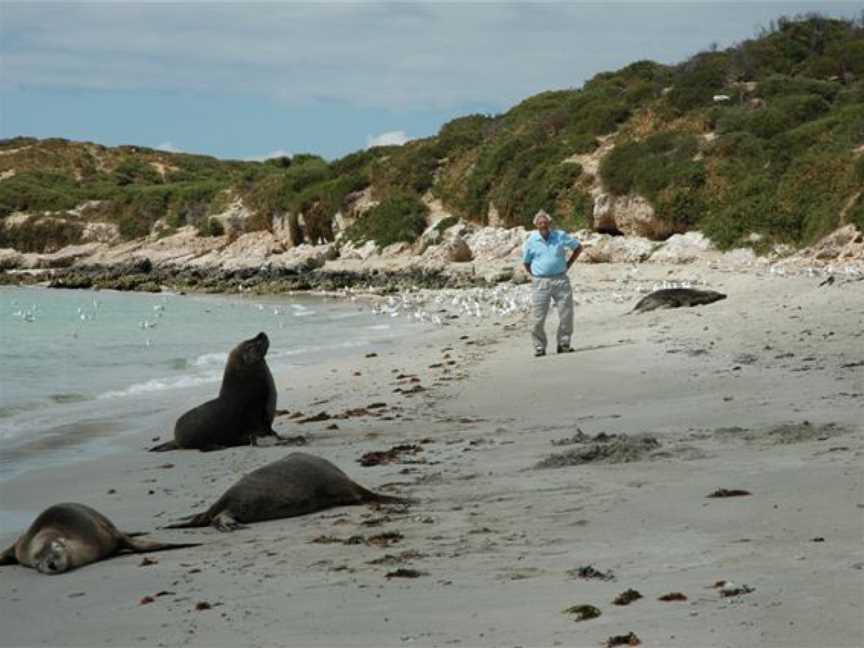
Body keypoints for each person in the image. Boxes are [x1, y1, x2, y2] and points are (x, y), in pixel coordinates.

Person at [522, 209, 582, 357]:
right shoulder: (531, 240)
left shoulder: (560, 235)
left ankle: (564, 344)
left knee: (566, 314)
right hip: (540, 282)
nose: (542, 223)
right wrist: (536, 275)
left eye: (545, 221)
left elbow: (578, 247)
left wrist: (568, 265)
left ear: (549, 222)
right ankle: (539, 347)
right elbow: (526, 262)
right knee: (538, 316)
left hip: (561, 279)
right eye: (539, 222)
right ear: (536, 224)